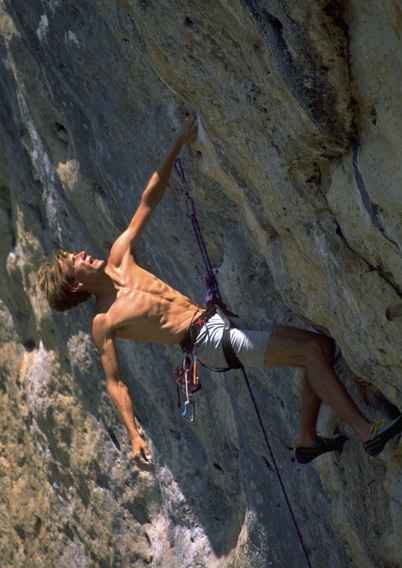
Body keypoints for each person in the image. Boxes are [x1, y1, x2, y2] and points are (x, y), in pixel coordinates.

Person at [37, 114, 402, 471]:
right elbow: (115, 383)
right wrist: (133, 435)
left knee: (321, 347)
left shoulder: (120, 256)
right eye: (76, 259)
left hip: (217, 322)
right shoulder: (104, 320)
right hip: (207, 342)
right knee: (309, 353)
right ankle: (367, 431)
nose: (83, 253)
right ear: (76, 284)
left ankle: (307, 440)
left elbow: (149, 200)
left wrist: (177, 142)